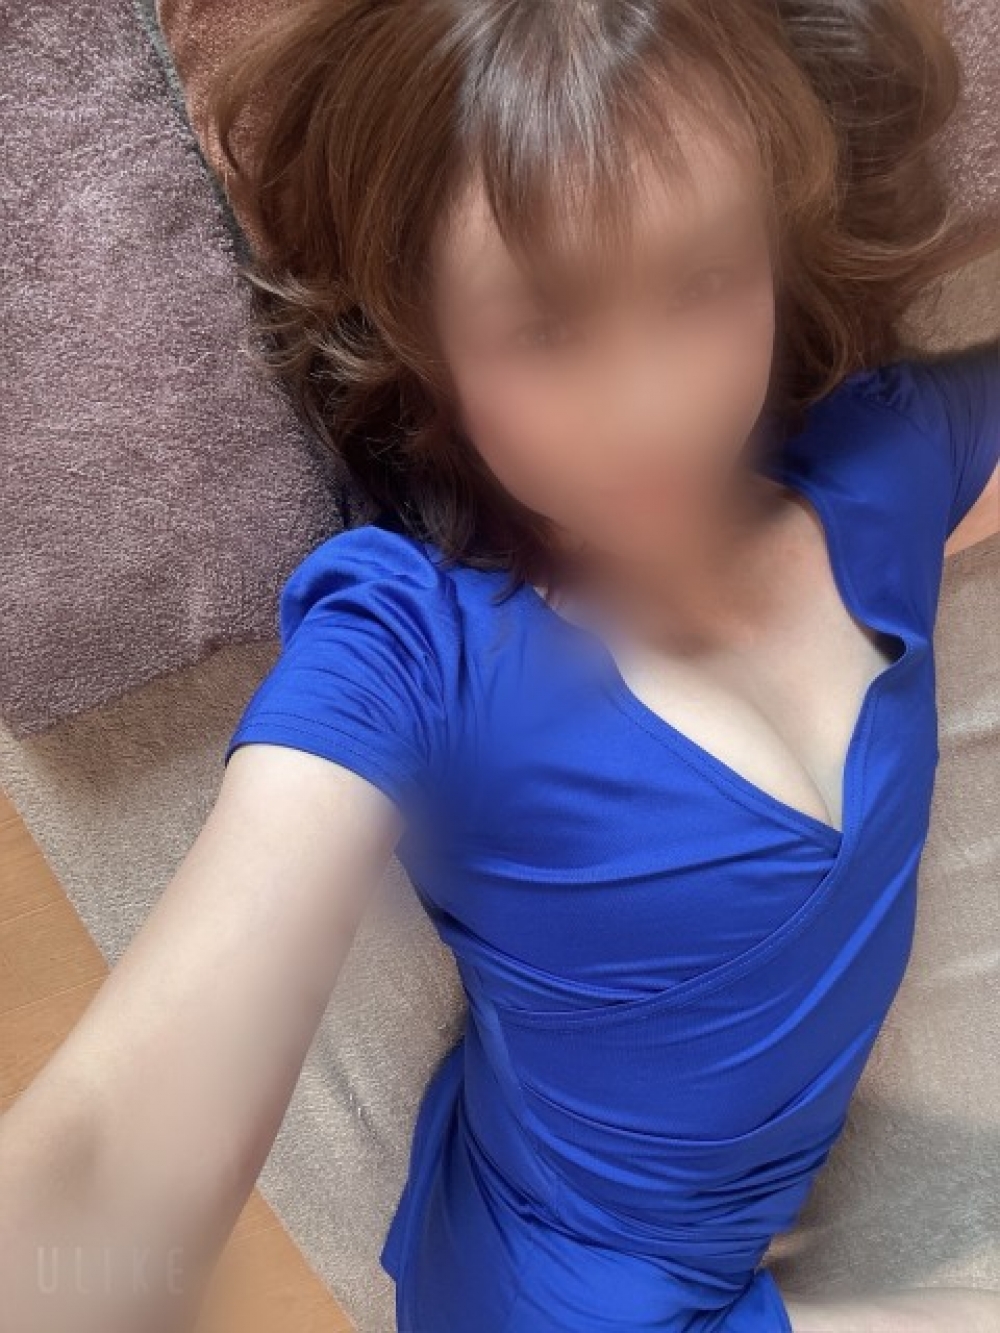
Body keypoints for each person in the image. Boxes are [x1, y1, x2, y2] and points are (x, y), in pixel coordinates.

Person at [2, 2, 999, 1330]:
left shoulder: (888, 460)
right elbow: (115, 1146)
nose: (652, 409)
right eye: (544, 324)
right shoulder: (415, 647)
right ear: (429, 332)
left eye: (702, 281)